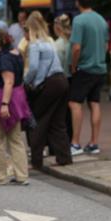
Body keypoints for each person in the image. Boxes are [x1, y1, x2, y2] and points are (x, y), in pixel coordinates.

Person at [24, 11, 71, 168]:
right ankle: (64, 157)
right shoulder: (49, 43)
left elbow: (34, 68)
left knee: (37, 120)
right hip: (62, 81)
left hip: (50, 84)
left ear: (31, 28)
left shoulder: (35, 45)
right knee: (58, 121)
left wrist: (26, 82)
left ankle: (36, 161)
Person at [0, 29, 30, 185]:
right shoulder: (16, 53)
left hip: (4, 98)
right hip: (17, 98)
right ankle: (22, 175)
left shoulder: (4, 59)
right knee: (15, 138)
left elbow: (8, 81)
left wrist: (4, 105)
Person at [68, 0, 108, 155]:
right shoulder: (101, 20)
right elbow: (105, 45)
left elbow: (76, 47)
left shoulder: (79, 20)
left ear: (78, 2)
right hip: (99, 67)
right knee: (94, 103)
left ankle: (75, 143)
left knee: (74, 103)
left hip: (85, 67)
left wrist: (73, 65)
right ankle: (94, 143)